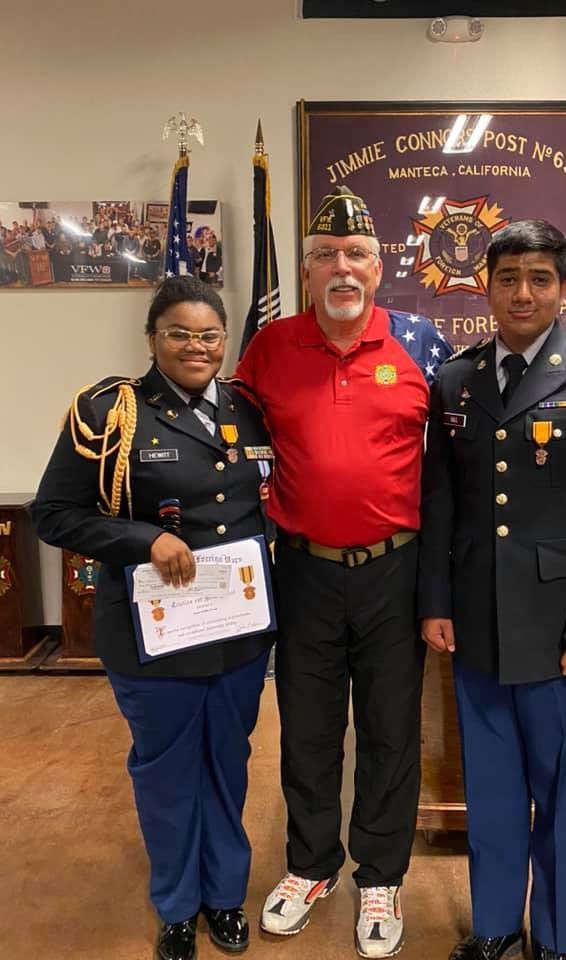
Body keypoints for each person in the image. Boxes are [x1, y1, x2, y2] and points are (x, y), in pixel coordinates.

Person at [418, 219, 566, 960]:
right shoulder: (455, 379)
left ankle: (553, 935)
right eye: (508, 277)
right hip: (479, 624)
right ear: (486, 287)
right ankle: (493, 928)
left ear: (564, 288)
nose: (523, 292)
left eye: (539, 278)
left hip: (562, 634)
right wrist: (436, 602)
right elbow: (441, 504)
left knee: (559, 795)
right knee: (489, 792)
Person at [235, 186, 452, 958]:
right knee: (308, 726)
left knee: (390, 730)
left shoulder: (421, 345)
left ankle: (381, 875)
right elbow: (232, 447)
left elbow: (451, 470)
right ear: (306, 271)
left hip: (396, 572)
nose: (342, 268)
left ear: (379, 266)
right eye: (325, 255)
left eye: (357, 254)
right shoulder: (269, 349)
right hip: (305, 573)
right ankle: (311, 864)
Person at [33, 275, 276, 960]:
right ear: (152, 339)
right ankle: (175, 905)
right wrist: (145, 541)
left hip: (237, 631)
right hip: (154, 635)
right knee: (167, 773)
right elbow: (55, 514)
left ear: (224, 342)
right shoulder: (112, 412)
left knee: (227, 763)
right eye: (179, 334)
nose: (196, 347)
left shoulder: (249, 408)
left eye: (209, 335)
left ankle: (224, 896)